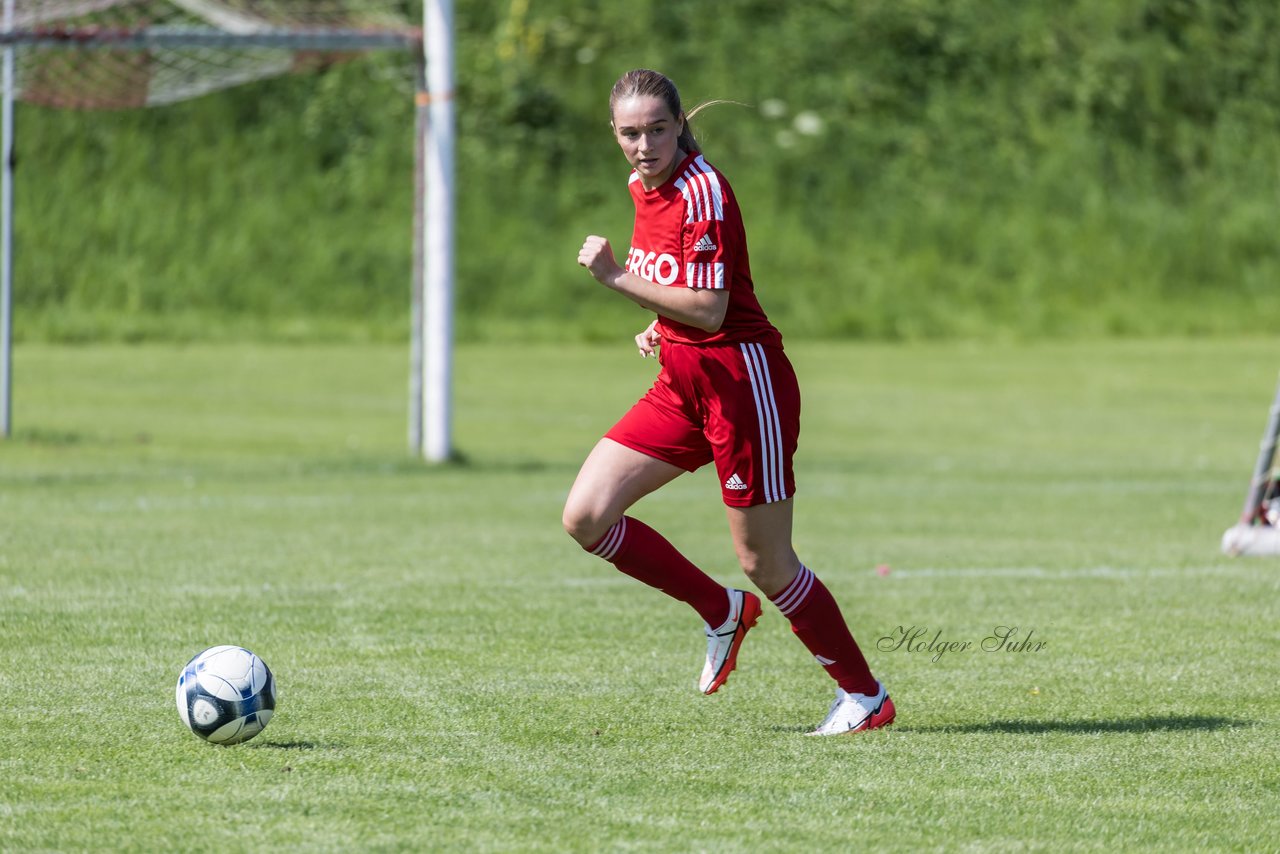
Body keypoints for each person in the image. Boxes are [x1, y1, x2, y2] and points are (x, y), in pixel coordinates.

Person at [563, 69, 894, 736]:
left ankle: (865, 696)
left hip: (743, 388)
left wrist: (617, 280)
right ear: (615, 135)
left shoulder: (703, 191)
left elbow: (713, 311)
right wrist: (660, 322)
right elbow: (678, 282)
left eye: (658, 129)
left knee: (766, 561)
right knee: (587, 516)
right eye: (631, 133)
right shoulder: (641, 186)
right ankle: (721, 610)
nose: (645, 145)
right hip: (681, 386)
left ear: (681, 124)